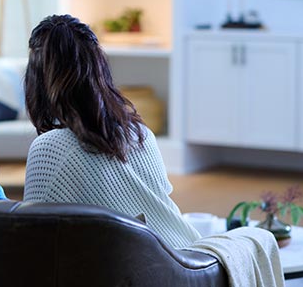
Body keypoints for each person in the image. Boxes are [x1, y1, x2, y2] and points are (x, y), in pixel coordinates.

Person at [21, 14, 199, 249]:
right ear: (100, 70)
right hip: (189, 257)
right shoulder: (141, 133)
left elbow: (29, 240)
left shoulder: (50, 148)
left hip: (152, 272)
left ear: (36, 79)